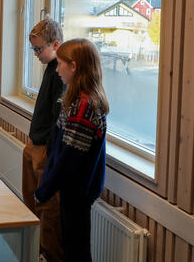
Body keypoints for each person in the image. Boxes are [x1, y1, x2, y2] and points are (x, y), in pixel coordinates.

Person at [35, 38, 109, 262]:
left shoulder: (85, 106)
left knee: (76, 251)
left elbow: (68, 158)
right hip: (72, 189)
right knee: (71, 246)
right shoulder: (76, 100)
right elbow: (59, 145)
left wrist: (44, 190)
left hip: (78, 191)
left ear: (74, 66)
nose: (57, 70)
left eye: (60, 64)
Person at [22, 18, 65, 262]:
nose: (36, 54)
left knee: (47, 211)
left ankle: (47, 254)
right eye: (34, 50)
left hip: (45, 151)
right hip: (35, 144)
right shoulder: (50, 66)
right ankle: (35, 250)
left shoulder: (62, 70)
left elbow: (58, 118)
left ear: (56, 44)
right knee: (31, 206)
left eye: (39, 49)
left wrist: (49, 151)